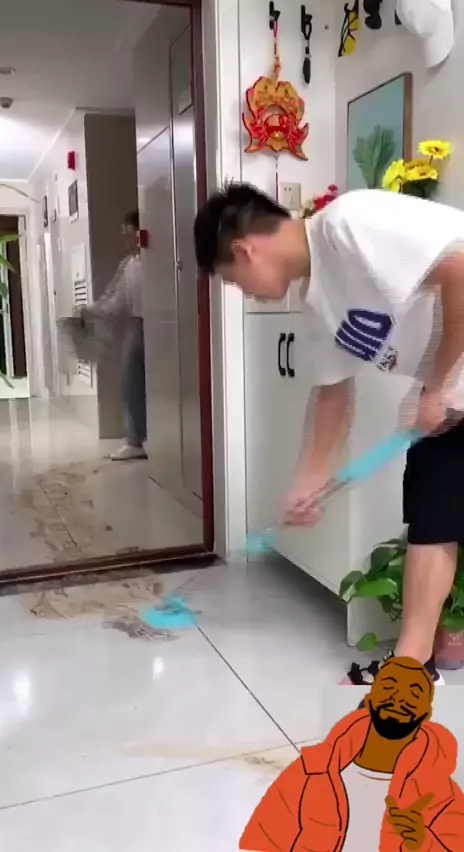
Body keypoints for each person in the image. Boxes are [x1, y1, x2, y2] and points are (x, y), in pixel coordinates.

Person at [194, 183, 464, 686]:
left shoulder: (348, 224)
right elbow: (332, 393)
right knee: (433, 510)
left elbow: (461, 268)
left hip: (451, 382)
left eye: (232, 281)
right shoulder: (314, 298)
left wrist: (439, 383)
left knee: (438, 500)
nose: (242, 292)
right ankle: (412, 669)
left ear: (244, 250)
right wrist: (309, 479)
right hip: (451, 390)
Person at [240, 657, 464, 852]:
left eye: (414, 693)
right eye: (389, 687)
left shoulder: (443, 794)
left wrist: (425, 844)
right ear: (369, 700)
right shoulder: (311, 771)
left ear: (426, 714)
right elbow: (265, 840)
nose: (399, 699)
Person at [81, 210, 147, 461]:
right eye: (123, 233)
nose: (125, 239)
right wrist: (91, 311)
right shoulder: (127, 264)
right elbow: (114, 298)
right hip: (135, 326)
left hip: (162, 324)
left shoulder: (159, 260)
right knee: (131, 384)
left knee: (164, 386)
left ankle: (163, 439)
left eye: (128, 232)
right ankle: (134, 440)